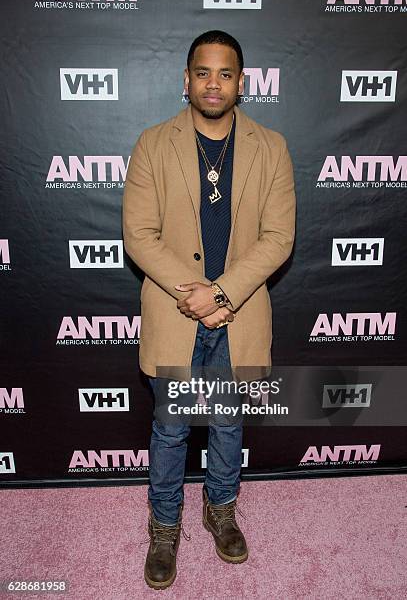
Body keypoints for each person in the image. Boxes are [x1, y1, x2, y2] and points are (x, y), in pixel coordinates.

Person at [123, 29, 296, 590]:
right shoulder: (154, 143)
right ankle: (165, 526)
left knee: (226, 421)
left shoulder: (271, 147)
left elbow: (278, 238)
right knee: (171, 428)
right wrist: (195, 294)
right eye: (203, 72)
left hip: (237, 315)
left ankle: (221, 509)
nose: (213, 83)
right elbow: (140, 235)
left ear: (241, 81)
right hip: (177, 316)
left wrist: (221, 295)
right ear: (187, 79)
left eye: (225, 73)